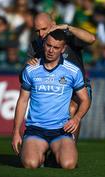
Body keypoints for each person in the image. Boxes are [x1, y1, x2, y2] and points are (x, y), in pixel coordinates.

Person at [12, 29, 90, 169]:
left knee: (69, 164)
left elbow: (85, 100)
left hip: (61, 131)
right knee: (30, 164)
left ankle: (54, 154)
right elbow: (22, 101)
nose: (51, 50)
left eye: (56, 47)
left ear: (63, 49)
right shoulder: (31, 69)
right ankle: (37, 153)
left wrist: (76, 118)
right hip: (36, 129)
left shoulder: (73, 71)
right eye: (48, 45)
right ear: (43, 45)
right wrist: (16, 132)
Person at [26, 12, 96, 142]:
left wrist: (68, 27)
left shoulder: (68, 37)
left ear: (53, 25)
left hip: (77, 88)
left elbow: (91, 39)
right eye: (37, 31)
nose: (41, 34)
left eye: (44, 29)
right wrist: (28, 65)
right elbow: (25, 76)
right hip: (54, 89)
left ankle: (69, 146)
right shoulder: (35, 45)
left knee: (71, 109)